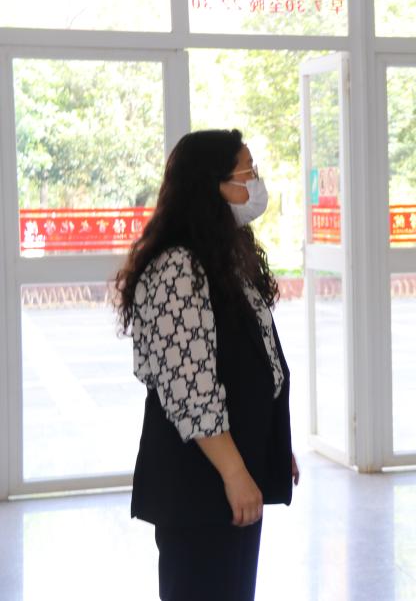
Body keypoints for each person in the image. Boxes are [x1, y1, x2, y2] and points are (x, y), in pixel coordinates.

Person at [115, 129, 299, 601]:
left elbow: (255, 357)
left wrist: (272, 442)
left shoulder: (222, 255)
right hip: (202, 480)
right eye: (247, 172)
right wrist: (234, 472)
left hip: (232, 467)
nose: (255, 183)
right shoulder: (177, 267)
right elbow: (190, 388)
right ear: (210, 185)